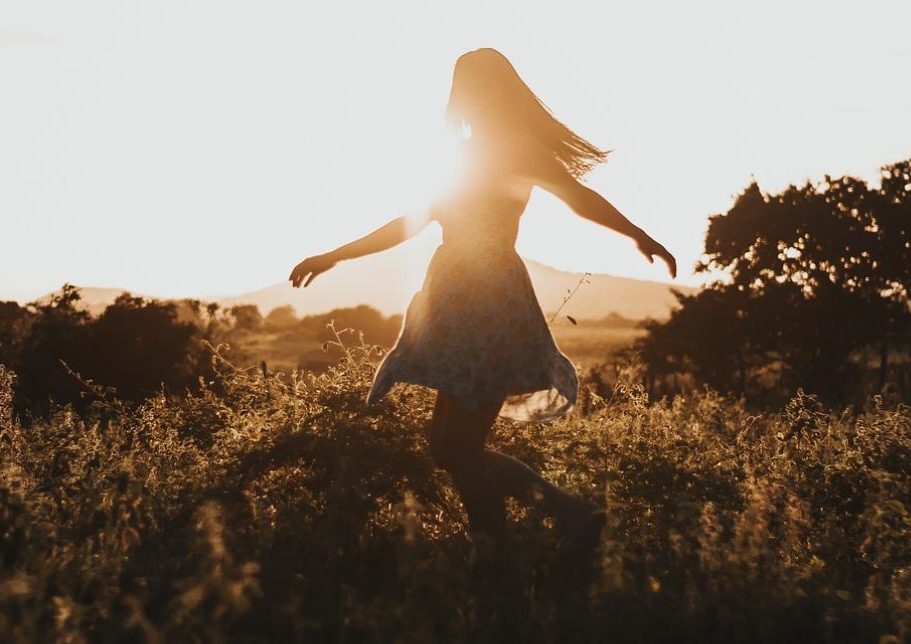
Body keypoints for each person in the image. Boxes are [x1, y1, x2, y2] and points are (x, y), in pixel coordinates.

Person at [289, 48, 677, 579]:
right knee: (446, 449)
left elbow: (579, 199)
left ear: (499, 92)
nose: (467, 99)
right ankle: (568, 514)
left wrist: (639, 235)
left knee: (461, 449)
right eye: (463, 90)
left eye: (476, 89)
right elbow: (411, 221)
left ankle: (500, 566)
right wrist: (335, 255)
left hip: (490, 303)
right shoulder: (460, 155)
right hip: (454, 303)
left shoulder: (520, 148)